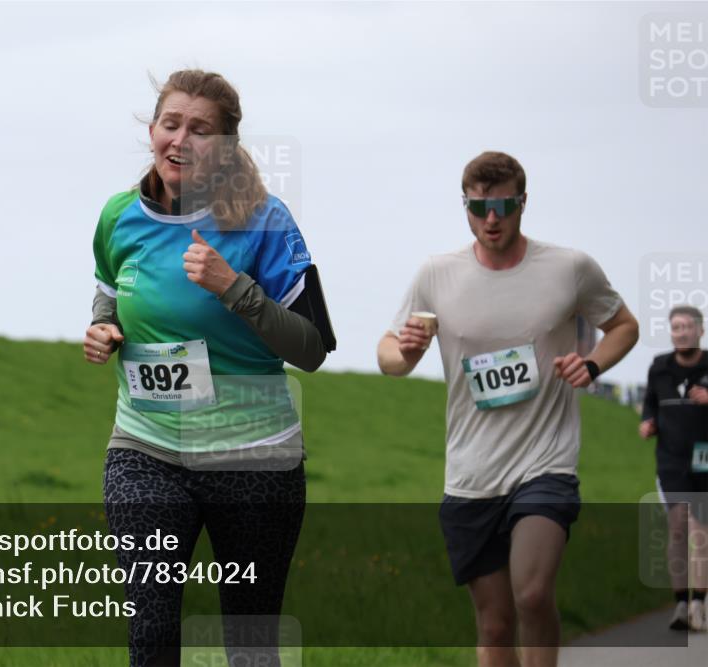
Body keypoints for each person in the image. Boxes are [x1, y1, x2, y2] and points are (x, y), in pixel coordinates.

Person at [82, 69, 335, 667]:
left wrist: (235, 288)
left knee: (248, 646)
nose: (181, 140)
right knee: (150, 625)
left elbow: (313, 348)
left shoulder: (265, 222)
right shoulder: (118, 216)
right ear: (152, 131)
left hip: (254, 457)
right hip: (145, 449)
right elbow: (108, 288)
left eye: (200, 130)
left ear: (224, 147)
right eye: (171, 124)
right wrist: (103, 328)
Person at [377, 151, 639, 667]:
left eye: (503, 206)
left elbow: (624, 326)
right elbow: (388, 354)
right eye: (479, 208)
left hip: (546, 463)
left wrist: (593, 364)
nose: (491, 220)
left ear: (523, 203)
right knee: (495, 625)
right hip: (472, 473)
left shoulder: (569, 268)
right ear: (466, 206)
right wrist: (405, 352)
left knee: (533, 594)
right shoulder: (438, 274)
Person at [639, 305, 708, 632]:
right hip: (671, 460)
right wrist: (647, 422)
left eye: (687, 327)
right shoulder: (659, 368)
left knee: (701, 533)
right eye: (675, 328)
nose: (681, 333)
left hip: (705, 459)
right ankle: (681, 601)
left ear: (700, 331)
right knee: (678, 528)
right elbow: (650, 402)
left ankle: (700, 601)